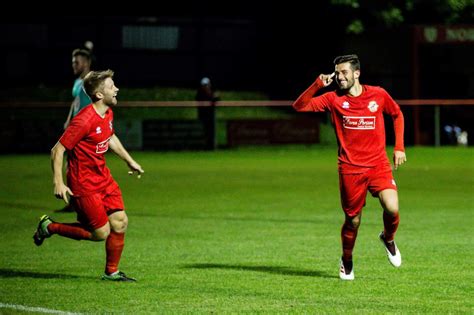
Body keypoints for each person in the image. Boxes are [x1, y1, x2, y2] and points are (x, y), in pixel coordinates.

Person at [292, 54, 407, 280]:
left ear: (357, 73)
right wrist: (317, 84)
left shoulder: (378, 94)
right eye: (337, 73)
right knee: (353, 220)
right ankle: (346, 260)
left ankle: (389, 238)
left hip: (377, 164)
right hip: (350, 169)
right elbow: (299, 106)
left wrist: (399, 147)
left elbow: (397, 114)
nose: (339, 77)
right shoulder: (333, 99)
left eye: (344, 73)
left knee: (392, 207)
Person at [33, 70, 144, 282]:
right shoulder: (83, 120)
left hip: (103, 178)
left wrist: (129, 160)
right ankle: (50, 227)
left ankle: (111, 272)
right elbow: (57, 150)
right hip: (83, 184)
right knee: (100, 233)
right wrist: (58, 182)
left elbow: (109, 136)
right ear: (100, 95)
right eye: (112, 87)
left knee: (120, 222)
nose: (117, 89)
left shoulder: (107, 113)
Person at [64, 48, 93, 129]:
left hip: (89, 126)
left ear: (86, 63)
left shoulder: (93, 81)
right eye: (73, 62)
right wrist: (68, 120)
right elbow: (75, 101)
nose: (73, 65)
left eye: (76, 62)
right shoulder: (77, 81)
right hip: (77, 124)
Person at [195, 77, 220, 150]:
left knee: (211, 132)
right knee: (204, 132)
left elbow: (216, 100)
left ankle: (211, 146)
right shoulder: (200, 94)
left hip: (211, 116)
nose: (206, 86)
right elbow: (200, 100)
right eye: (204, 85)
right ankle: (204, 146)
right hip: (203, 116)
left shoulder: (212, 92)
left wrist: (215, 97)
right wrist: (213, 97)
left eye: (207, 85)